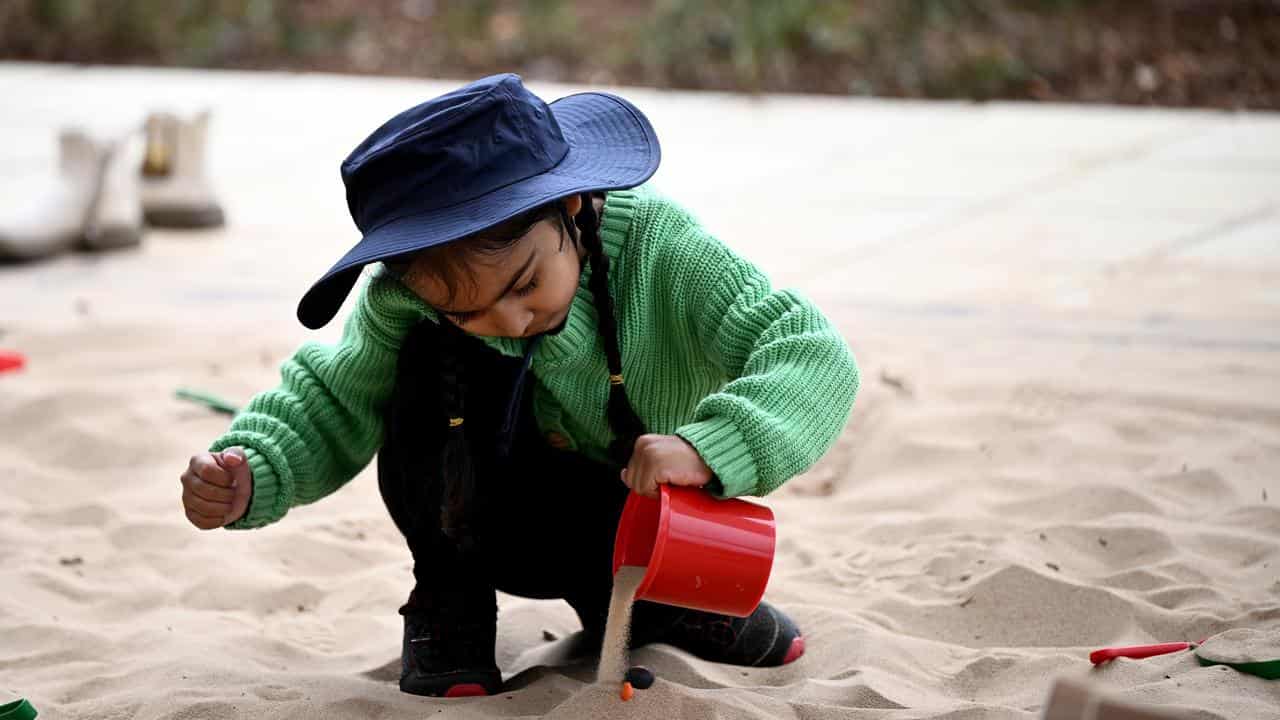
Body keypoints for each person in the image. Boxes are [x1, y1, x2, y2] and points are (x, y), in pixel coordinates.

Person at [178, 74, 859, 698]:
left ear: (571, 204)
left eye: (526, 284)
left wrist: (713, 446)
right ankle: (451, 605)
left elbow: (810, 351)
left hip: (643, 516)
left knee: (649, 584)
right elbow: (334, 392)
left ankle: (665, 600)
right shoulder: (407, 302)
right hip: (483, 513)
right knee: (424, 358)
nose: (508, 320)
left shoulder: (663, 250)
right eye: (467, 309)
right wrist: (256, 468)